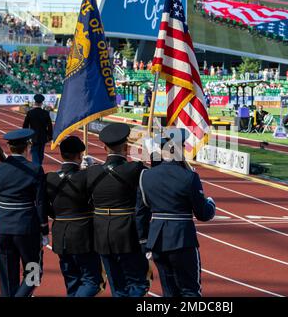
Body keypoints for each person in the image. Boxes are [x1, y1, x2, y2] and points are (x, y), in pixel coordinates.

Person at [136, 128, 216, 297]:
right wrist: (211, 204)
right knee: (190, 291)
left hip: (157, 241)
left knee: (169, 291)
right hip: (182, 239)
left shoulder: (146, 176)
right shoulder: (189, 177)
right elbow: (203, 213)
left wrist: (144, 242)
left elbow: (141, 214)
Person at [87, 123, 150, 297]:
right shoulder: (136, 169)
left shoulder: (91, 172)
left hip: (101, 234)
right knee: (138, 283)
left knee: (117, 286)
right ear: (127, 146)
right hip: (127, 234)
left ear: (104, 147)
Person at [0, 129, 49, 297]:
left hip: (2, 227)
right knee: (34, 273)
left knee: (8, 278)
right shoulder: (35, 169)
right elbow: (40, 203)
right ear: (28, 147)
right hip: (27, 229)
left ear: (9, 147)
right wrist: (44, 229)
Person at [45, 136, 105, 297]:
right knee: (93, 282)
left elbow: (45, 206)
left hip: (60, 234)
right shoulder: (86, 176)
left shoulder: (49, 177)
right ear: (80, 156)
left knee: (72, 281)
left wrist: (58, 215)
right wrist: (91, 168)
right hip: (83, 234)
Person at [22, 94, 53, 166]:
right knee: (41, 154)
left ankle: (37, 169)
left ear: (35, 102)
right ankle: (39, 168)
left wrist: (26, 137)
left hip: (33, 137)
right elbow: (50, 126)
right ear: (42, 103)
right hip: (43, 137)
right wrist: (50, 136)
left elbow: (25, 126)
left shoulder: (30, 113)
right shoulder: (45, 113)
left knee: (35, 154)